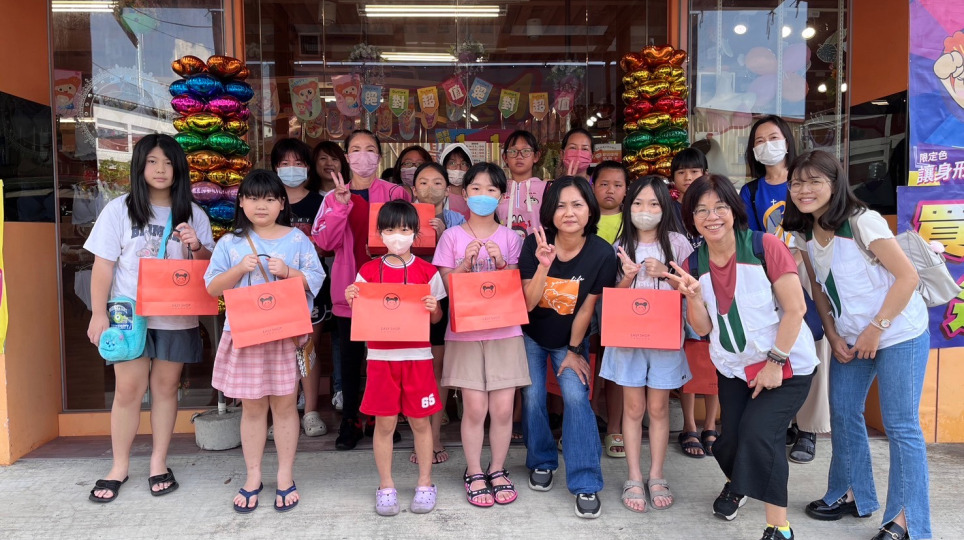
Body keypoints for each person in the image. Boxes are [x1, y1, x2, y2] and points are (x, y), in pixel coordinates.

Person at [783, 150, 931, 540]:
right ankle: (850, 493)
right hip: (850, 336)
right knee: (845, 412)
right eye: (797, 182)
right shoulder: (803, 232)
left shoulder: (863, 221)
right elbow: (817, 289)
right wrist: (833, 335)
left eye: (814, 181)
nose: (804, 189)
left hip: (899, 332)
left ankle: (907, 521)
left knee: (900, 425)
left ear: (835, 184)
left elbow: (908, 277)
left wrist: (876, 329)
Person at [666, 174, 819, 540]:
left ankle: (779, 527)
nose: (711, 216)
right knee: (728, 442)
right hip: (734, 368)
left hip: (786, 364)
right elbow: (703, 327)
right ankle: (738, 483)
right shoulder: (693, 262)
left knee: (759, 434)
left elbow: (796, 309)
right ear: (691, 218)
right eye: (701, 210)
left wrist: (775, 363)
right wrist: (692, 297)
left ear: (734, 210)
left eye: (719, 206)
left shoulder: (765, 247)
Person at [85, 134, 214, 503]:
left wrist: (195, 245)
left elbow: (208, 268)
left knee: (166, 389)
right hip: (128, 314)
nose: (161, 169)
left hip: (175, 315)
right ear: (140, 166)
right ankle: (119, 466)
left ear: (179, 169)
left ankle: (159, 462)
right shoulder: (119, 210)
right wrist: (98, 314)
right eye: (153, 161)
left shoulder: (194, 214)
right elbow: (103, 267)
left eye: (168, 162)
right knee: (128, 390)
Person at [205, 169, 324, 513]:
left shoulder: (297, 239)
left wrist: (288, 272)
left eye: (270, 199)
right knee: (253, 408)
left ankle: (285, 475)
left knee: (285, 407)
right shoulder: (230, 243)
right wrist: (238, 269)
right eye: (254, 198)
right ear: (241, 202)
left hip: (284, 334)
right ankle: (253, 475)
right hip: (246, 334)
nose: (262, 205)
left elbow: (316, 278)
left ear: (282, 204)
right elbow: (212, 287)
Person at [519, 176, 618, 519]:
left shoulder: (602, 253)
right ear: (550, 211)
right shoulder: (535, 243)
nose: (569, 212)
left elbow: (587, 308)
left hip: (571, 339)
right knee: (532, 396)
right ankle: (542, 460)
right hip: (531, 335)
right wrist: (543, 266)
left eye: (577, 204)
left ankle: (586, 481)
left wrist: (575, 351)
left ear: (590, 210)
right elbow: (527, 304)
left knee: (576, 397)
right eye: (561, 205)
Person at [433, 162, 530, 507]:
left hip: (506, 331)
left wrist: (503, 264)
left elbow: (518, 287)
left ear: (502, 196)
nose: (483, 195)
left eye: (491, 189)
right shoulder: (451, 237)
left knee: (503, 409)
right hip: (465, 333)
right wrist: (463, 266)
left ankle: (498, 469)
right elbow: (445, 287)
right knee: (474, 408)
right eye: (476, 188)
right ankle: (474, 471)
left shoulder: (512, 238)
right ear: (464, 193)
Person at [344, 200, 446, 516]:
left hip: (418, 357)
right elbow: (361, 313)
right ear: (380, 233)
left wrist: (434, 309)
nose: (397, 236)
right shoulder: (367, 271)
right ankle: (386, 485)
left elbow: (437, 319)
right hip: (380, 357)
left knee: (420, 422)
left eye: (404, 229)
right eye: (390, 229)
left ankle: (425, 483)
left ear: (415, 232)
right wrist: (352, 298)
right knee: (385, 422)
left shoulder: (428, 271)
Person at [311, 129, 411, 450]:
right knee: (351, 360)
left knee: (383, 360)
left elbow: (409, 235)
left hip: (388, 288)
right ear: (346, 157)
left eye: (369, 149)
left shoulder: (396, 193)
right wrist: (341, 206)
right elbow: (325, 243)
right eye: (355, 149)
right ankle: (350, 421)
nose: (362, 155)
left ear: (378, 157)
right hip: (350, 289)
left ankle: (380, 418)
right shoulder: (332, 198)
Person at [602, 176, 694, 512]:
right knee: (633, 408)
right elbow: (612, 298)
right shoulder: (620, 244)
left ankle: (656, 475)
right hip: (628, 339)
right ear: (628, 206)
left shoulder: (679, 244)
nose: (646, 210)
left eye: (654, 203)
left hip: (665, 338)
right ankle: (633, 475)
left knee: (658, 408)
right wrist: (628, 276)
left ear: (665, 207)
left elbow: (691, 289)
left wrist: (665, 274)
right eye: (639, 203)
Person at [740, 115, 827, 463]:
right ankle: (786, 418)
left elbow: (820, 224)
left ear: (787, 141)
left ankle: (809, 427)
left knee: (814, 341)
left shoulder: (804, 182)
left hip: (807, 268)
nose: (767, 145)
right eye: (759, 141)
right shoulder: (750, 191)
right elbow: (750, 236)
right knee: (776, 342)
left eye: (773, 137)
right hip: (770, 273)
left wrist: (798, 255)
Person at [409, 162, 466, 465]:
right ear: (413, 189)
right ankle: (418, 436)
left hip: (442, 298)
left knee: (438, 367)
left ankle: (434, 435)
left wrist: (446, 236)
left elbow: (465, 258)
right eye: (423, 182)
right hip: (408, 298)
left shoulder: (458, 219)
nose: (429, 188)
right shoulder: (403, 214)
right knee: (412, 367)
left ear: (448, 189)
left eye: (437, 183)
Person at [270, 138, 326, 438]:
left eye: (298, 163)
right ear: (275, 168)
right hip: (273, 291)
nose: (292, 168)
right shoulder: (269, 202)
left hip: (309, 288)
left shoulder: (320, 202)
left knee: (307, 349)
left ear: (308, 168)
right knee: (280, 352)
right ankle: (285, 412)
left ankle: (311, 411)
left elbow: (329, 244)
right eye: (284, 163)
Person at [669, 147, 721, 458]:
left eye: (694, 171)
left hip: (715, 289)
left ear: (705, 173)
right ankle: (689, 425)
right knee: (689, 357)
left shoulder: (716, 206)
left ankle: (711, 424)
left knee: (717, 357)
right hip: (683, 292)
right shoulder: (670, 209)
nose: (688, 177)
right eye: (681, 172)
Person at [590, 161, 629, 459]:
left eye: (617, 185)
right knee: (586, 362)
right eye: (604, 184)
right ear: (593, 187)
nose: (610, 190)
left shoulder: (633, 222)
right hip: (585, 298)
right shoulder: (583, 217)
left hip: (620, 299)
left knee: (615, 362)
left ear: (626, 190)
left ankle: (614, 427)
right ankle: (586, 422)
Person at [310, 140, 351, 412]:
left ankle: (341, 387)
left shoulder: (352, 193)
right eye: (323, 158)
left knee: (341, 333)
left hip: (344, 272)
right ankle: (307, 393)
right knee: (313, 336)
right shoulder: (314, 197)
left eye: (334, 158)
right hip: (317, 274)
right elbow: (321, 240)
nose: (329, 164)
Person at [497, 130, 548, 239]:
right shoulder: (497, 188)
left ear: (536, 156)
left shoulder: (547, 189)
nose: (519, 156)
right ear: (505, 157)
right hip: (501, 249)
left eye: (526, 151)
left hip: (538, 249)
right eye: (513, 151)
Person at [439, 142, 472, 219]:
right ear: (444, 166)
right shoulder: (438, 196)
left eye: (463, 164)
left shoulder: (475, 195)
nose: (458, 168)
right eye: (452, 163)